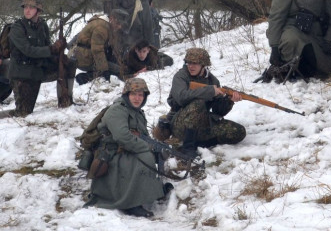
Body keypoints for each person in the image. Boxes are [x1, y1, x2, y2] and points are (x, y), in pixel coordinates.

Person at [86, 77, 168, 218]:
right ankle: (131, 203)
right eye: (133, 94)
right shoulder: (117, 110)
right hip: (111, 155)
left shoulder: (136, 112)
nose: (137, 98)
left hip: (125, 149)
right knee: (144, 157)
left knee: (155, 154)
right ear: (126, 95)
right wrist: (145, 147)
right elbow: (122, 136)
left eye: (141, 95)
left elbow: (142, 135)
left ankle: (154, 191)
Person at [0, 0, 72, 120]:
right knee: (23, 113)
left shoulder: (42, 26)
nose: (27, 10)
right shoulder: (17, 28)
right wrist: (51, 49)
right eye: (25, 7)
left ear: (38, 10)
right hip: (22, 75)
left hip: (38, 70)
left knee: (69, 64)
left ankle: (66, 102)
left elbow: (46, 47)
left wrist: (58, 54)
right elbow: (28, 51)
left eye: (31, 7)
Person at [157, 47, 246, 148]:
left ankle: (200, 144)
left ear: (203, 65)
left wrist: (229, 100)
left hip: (202, 124)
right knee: (198, 104)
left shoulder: (212, 80)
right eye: (188, 63)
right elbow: (181, 97)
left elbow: (218, 111)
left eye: (195, 63)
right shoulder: (180, 76)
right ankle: (188, 147)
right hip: (180, 125)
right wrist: (209, 91)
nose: (191, 66)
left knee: (238, 132)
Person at [72, 13, 124, 85]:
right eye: (118, 23)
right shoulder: (102, 28)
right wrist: (104, 70)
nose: (119, 27)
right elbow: (97, 50)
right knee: (116, 70)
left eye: (121, 24)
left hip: (86, 55)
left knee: (114, 66)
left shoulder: (105, 24)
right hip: (85, 58)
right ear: (112, 18)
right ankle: (86, 77)